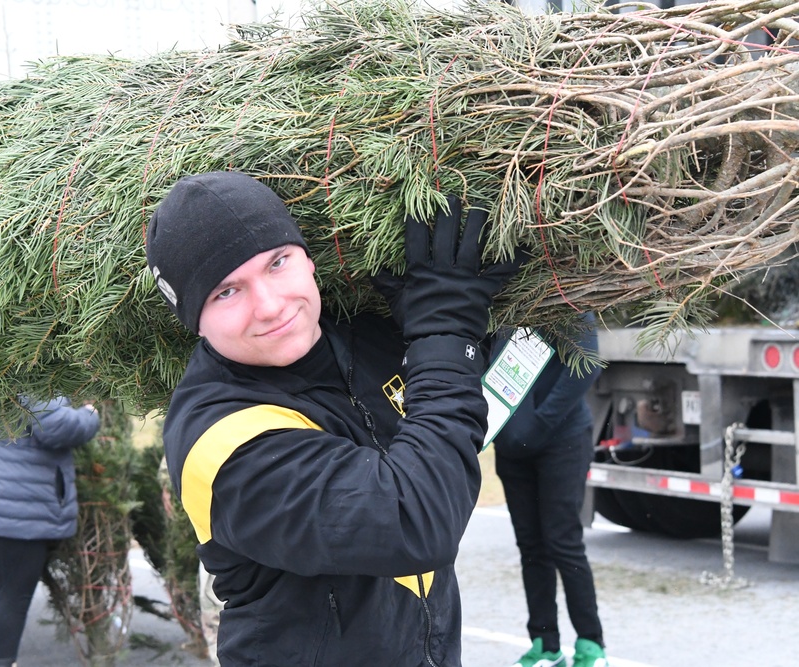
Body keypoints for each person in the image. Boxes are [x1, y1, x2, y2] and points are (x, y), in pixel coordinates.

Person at [145, 170, 523, 666]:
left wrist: (463, 312)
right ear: (195, 320)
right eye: (227, 292)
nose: (271, 305)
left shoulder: (359, 336)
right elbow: (416, 520)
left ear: (308, 259)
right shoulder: (219, 442)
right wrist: (444, 333)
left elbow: (458, 418)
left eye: (277, 263)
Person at [491, 314, 610, 667]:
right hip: (512, 446)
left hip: (562, 440)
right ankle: (545, 644)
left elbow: (586, 366)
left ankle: (591, 643)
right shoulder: (500, 299)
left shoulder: (566, 295)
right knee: (531, 546)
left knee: (563, 541)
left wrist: (538, 425)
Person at [0, 397, 100, 667]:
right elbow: (58, 426)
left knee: (5, 592)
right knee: (12, 596)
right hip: (16, 501)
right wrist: (89, 413)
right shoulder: (28, 363)